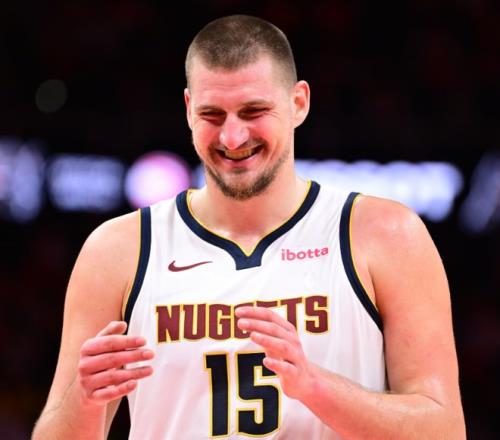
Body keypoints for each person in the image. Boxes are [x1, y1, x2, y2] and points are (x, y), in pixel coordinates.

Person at [33, 14, 465, 439]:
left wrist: (315, 386)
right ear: (188, 109)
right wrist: (83, 401)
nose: (233, 137)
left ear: (298, 103)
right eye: (212, 115)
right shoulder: (117, 249)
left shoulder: (384, 234)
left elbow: (444, 430)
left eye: (253, 111)